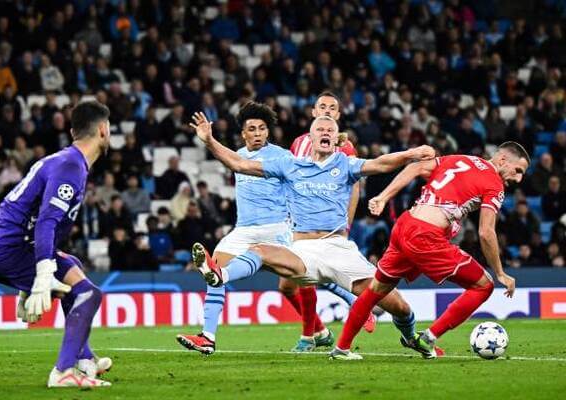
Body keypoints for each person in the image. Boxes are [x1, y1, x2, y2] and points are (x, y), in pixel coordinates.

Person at [188, 111, 439, 360]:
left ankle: (409, 337)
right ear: (311, 136)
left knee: (400, 307)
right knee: (260, 251)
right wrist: (209, 140)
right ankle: (223, 274)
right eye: (320, 129)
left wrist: (410, 154)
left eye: (330, 130)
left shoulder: (345, 164)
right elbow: (240, 164)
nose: (325, 133)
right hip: (304, 250)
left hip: (339, 250)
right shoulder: (290, 165)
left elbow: (381, 163)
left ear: (336, 137)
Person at [333, 142, 529, 359]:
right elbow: (486, 232)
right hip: (426, 237)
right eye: (517, 171)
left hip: (404, 225)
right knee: (484, 285)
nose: (518, 179)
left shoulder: (460, 159)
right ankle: (428, 338)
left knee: (375, 290)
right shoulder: (494, 183)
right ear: (502, 159)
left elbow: (415, 167)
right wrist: (500, 272)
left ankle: (341, 348)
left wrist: (384, 196)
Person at [0, 101, 113, 387]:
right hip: (11, 250)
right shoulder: (70, 166)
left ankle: (84, 359)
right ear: (103, 130)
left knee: (74, 267)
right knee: (88, 294)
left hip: (7, 245)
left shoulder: (67, 160)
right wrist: (41, 274)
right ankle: (63, 372)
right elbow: (46, 222)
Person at [176, 102, 293, 355]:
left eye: (263, 128)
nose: (259, 133)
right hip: (244, 230)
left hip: (277, 228)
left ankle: (355, 301)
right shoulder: (238, 154)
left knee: (313, 274)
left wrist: (209, 141)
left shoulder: (283, 156)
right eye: (253, 129)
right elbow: (230, 159)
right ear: (243, 134)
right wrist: (209, 140)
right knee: (213, 269)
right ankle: (207, 337)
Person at [285, 91, 376, 352]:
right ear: (313, 112)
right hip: (298, 220)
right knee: (292, 281)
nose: (326, 110)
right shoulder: (298, 143)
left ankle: (309, 336)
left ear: (338, 115)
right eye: (321, 106)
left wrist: (345, 226)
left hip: (330, 225)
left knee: (303, 277)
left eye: (332, 108)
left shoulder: (344, 148)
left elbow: (354, 189)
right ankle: (337, 313)